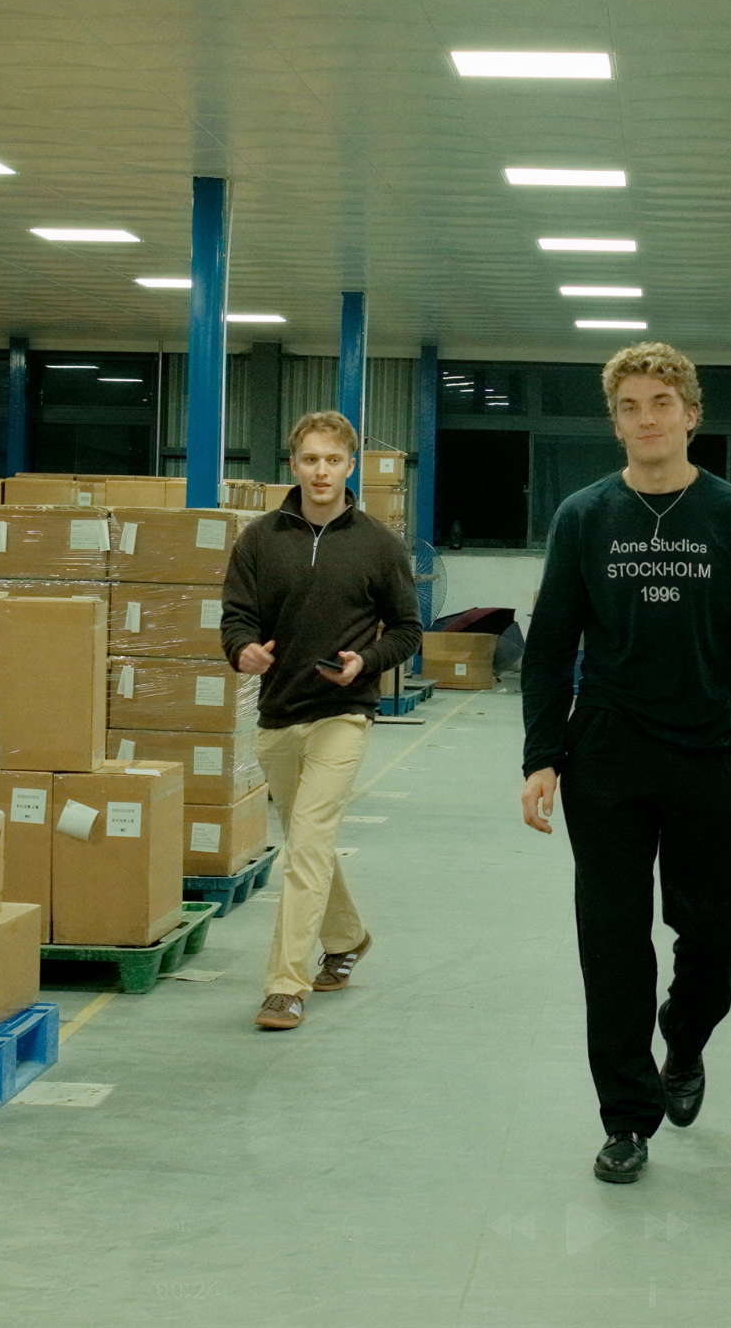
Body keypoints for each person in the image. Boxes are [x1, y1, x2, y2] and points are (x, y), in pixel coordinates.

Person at [519, 342, 731, 1183]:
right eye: (630, 407)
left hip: (713, 756)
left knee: (717, 933)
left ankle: (687, 1039)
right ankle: (626, 1118)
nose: (646, 420)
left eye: (661, 404)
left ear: (690, 414)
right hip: (608, 755)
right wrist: (542, 757)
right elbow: (550, 644)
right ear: (616, 422)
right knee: (611, 940)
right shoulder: (585, 516)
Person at [221, 410, 422, 1030]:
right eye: (310, 459)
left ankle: (286, 984)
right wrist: (243, 652)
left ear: (349, 466)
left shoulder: (378, 545)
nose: (321, 471)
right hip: (279, 713)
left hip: (343, 712)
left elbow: (410, 631)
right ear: (294, 465)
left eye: (332, 460)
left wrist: (366, 662)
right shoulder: (259, 539)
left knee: (305, 845)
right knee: (307, 844)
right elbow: (235, 619)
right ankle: (347, 937)